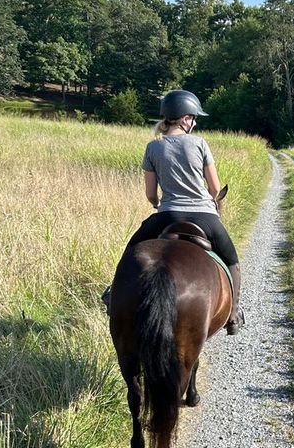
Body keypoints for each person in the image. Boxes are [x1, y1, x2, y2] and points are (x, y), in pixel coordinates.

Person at [105, 89, 245, 334]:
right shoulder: (200, 143)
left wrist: (157, 203)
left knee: (131, 251)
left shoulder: (153, 147)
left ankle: (112, 293)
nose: (195, 122)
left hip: (166, 215)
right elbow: (214, 187)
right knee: (232, 259)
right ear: (184, 119)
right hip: (205, 215)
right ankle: (233, 315)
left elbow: (150, 193)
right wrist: (211, 200)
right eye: (193, 117)